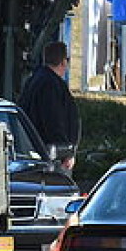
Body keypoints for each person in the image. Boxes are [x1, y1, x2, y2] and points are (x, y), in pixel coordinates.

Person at [18, 41, 80, 169]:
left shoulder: (34, 80)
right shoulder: (52, 85)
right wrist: (65, 152)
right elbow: (54, 121)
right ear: (63, 62)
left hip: (32, 150)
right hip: (51, 156)